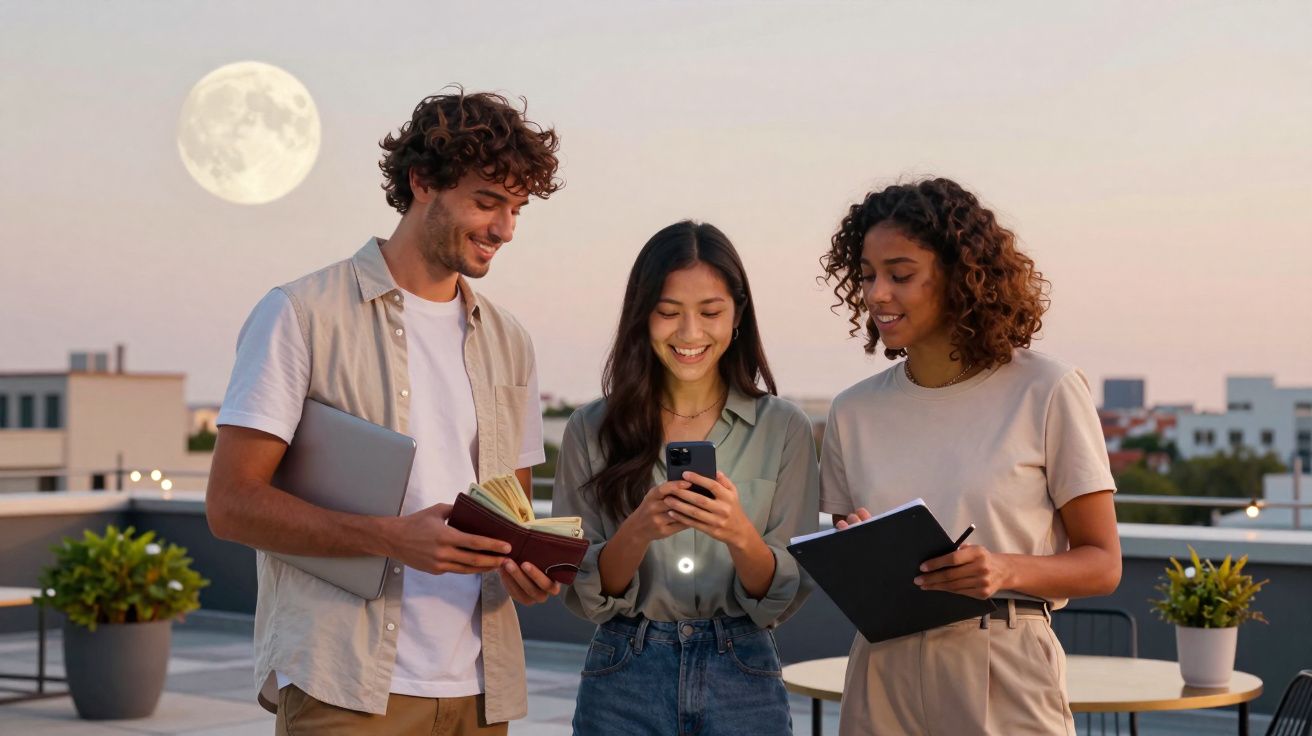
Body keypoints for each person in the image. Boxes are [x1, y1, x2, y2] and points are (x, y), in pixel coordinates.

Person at [205, 88, 563, 735]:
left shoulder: (510, 340)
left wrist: (525, 570)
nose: (505, 228)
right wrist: (391, 539)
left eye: (516, 207)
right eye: (487, 201)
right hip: (343, 686)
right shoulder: (301, 313)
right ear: (422, 182)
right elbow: (231, 504)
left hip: (481, 691)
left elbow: (514, 511)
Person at [817, 178, 1121, 735]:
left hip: (1003, 659)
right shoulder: (852, 412)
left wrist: (1004, 567)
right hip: (882, 668)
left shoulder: (1046, 390)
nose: (877, 293)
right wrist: (855, 546)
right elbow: (852, 554)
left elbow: (1103, 563)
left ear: (960, 276)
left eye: (900, 275)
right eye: (866, 275)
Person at [552, 220, 819, 736]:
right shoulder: (590, 429)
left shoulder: (783, 428)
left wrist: (737, 532)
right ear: (641, 316)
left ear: (738, 315)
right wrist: (640, 529)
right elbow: (585, 592)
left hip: (743, 670)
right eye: (668, 312)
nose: (690, 334)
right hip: (623, 671)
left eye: (711, 312)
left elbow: (781, 597)